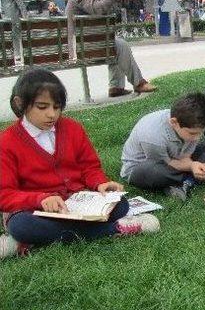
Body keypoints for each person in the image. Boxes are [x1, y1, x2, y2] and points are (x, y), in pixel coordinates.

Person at [0, 69, 159, 259]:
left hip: (77, 202)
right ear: (20, 103)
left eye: (57, 107)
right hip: (35, 209)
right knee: (22, 226)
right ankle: (114, 228)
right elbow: (5, 194)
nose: (52, 114)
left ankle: (26, 242)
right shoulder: (7, 142)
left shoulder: (73, 128)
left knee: (121, 204)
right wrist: (41, 199)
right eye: (42, 107)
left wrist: (100, 183)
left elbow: (89, 167)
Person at [66, 0, 157, 98]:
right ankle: (138, 83)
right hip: (81, 47)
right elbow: (99, 9)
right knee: (121, 46)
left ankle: (116, 87)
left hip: (84, 43)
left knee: (115, 44)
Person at [120, 93, 205, 201]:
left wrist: (192, 164)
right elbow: (168, 163)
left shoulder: (189, 122)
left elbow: (185, 155)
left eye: (201, 133)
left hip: (176, 158)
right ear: (174, 122)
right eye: (193, 133)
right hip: (147, 166)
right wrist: (192, 166)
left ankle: (184, 181)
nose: (197, 138)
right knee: (152, 171)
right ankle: (192, 178)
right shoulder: (152, 135)